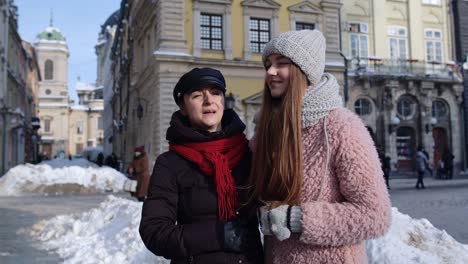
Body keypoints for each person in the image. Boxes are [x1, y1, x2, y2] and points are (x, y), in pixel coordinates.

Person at [249, 30, 391, 263]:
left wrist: (297, 219)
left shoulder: (342, 127)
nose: (270, 72)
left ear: (304, 71)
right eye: (268, 65)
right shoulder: (270, 129)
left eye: (281, 63)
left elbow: (375, 215)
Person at [139, 68, 263, 263]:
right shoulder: (170, 164)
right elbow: (154, 231)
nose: (209, 100)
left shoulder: (249, 154)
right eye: (197, 95)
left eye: (216, 93)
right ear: (183, 107)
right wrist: (219, 235)